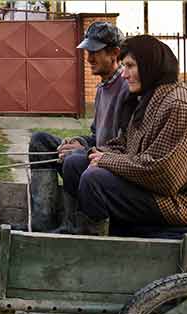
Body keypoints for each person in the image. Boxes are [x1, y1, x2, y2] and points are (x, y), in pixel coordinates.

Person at [58, 35, 187, 236]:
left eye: (130, 66)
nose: (124, 74)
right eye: (124, 66)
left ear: (150, 66)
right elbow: (125, 144)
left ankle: (97, 246)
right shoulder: (149, 97)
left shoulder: (178, 107)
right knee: (75, 163)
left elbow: (165, 177)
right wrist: (90, 152)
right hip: (151, 186)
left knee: (94, 179)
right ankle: (74, 231)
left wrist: (106, 160)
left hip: (180, 202)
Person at [27, 21, 129, 232]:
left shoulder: (127, 89)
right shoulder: (102, 88)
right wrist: (79, 142)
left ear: (114, 53)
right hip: (95, 155)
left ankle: (73, 228)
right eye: (88, 52)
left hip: (111, 168)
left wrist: (84, 150)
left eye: (95, 52)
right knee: (40, 141)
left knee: (73, 161)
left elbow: (125, 146)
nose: (89, 58)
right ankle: (41, 224)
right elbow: (96, 135)